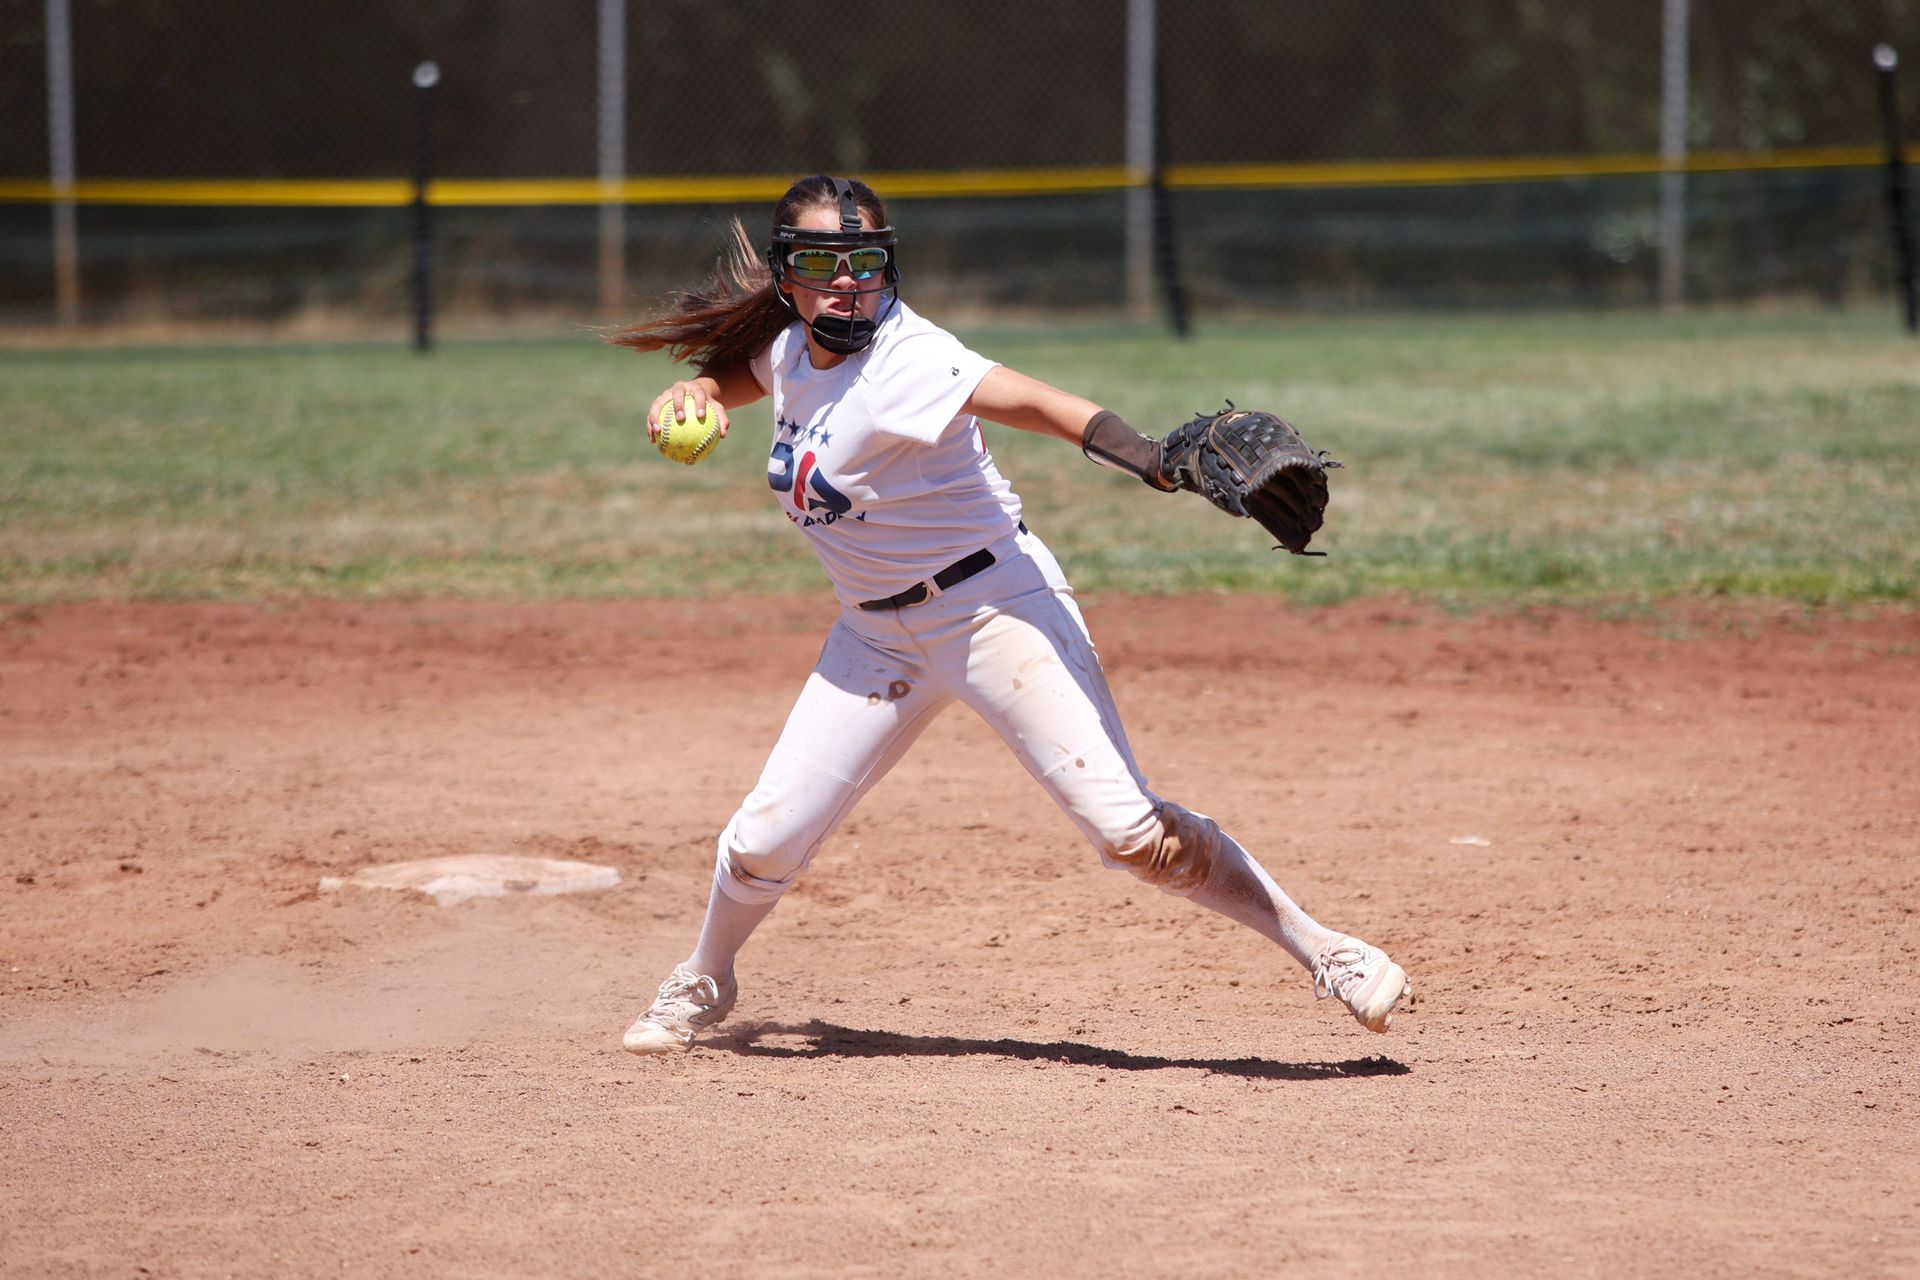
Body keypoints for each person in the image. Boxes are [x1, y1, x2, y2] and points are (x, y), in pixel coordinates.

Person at [609, 175, 1408, 1054]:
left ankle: (1323, 948)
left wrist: (1154, 462)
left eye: (866, 262)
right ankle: (706, 975)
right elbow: (749, 374)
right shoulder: (792, 349)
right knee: (763, 842)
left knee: (1131, 836)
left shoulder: (908, 359)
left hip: (995, 610)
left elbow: (1038, 403)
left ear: (889, 267)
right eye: (824, 266)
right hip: (875, 636)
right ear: (786, 275)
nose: (848, 284)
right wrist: (697, 395)